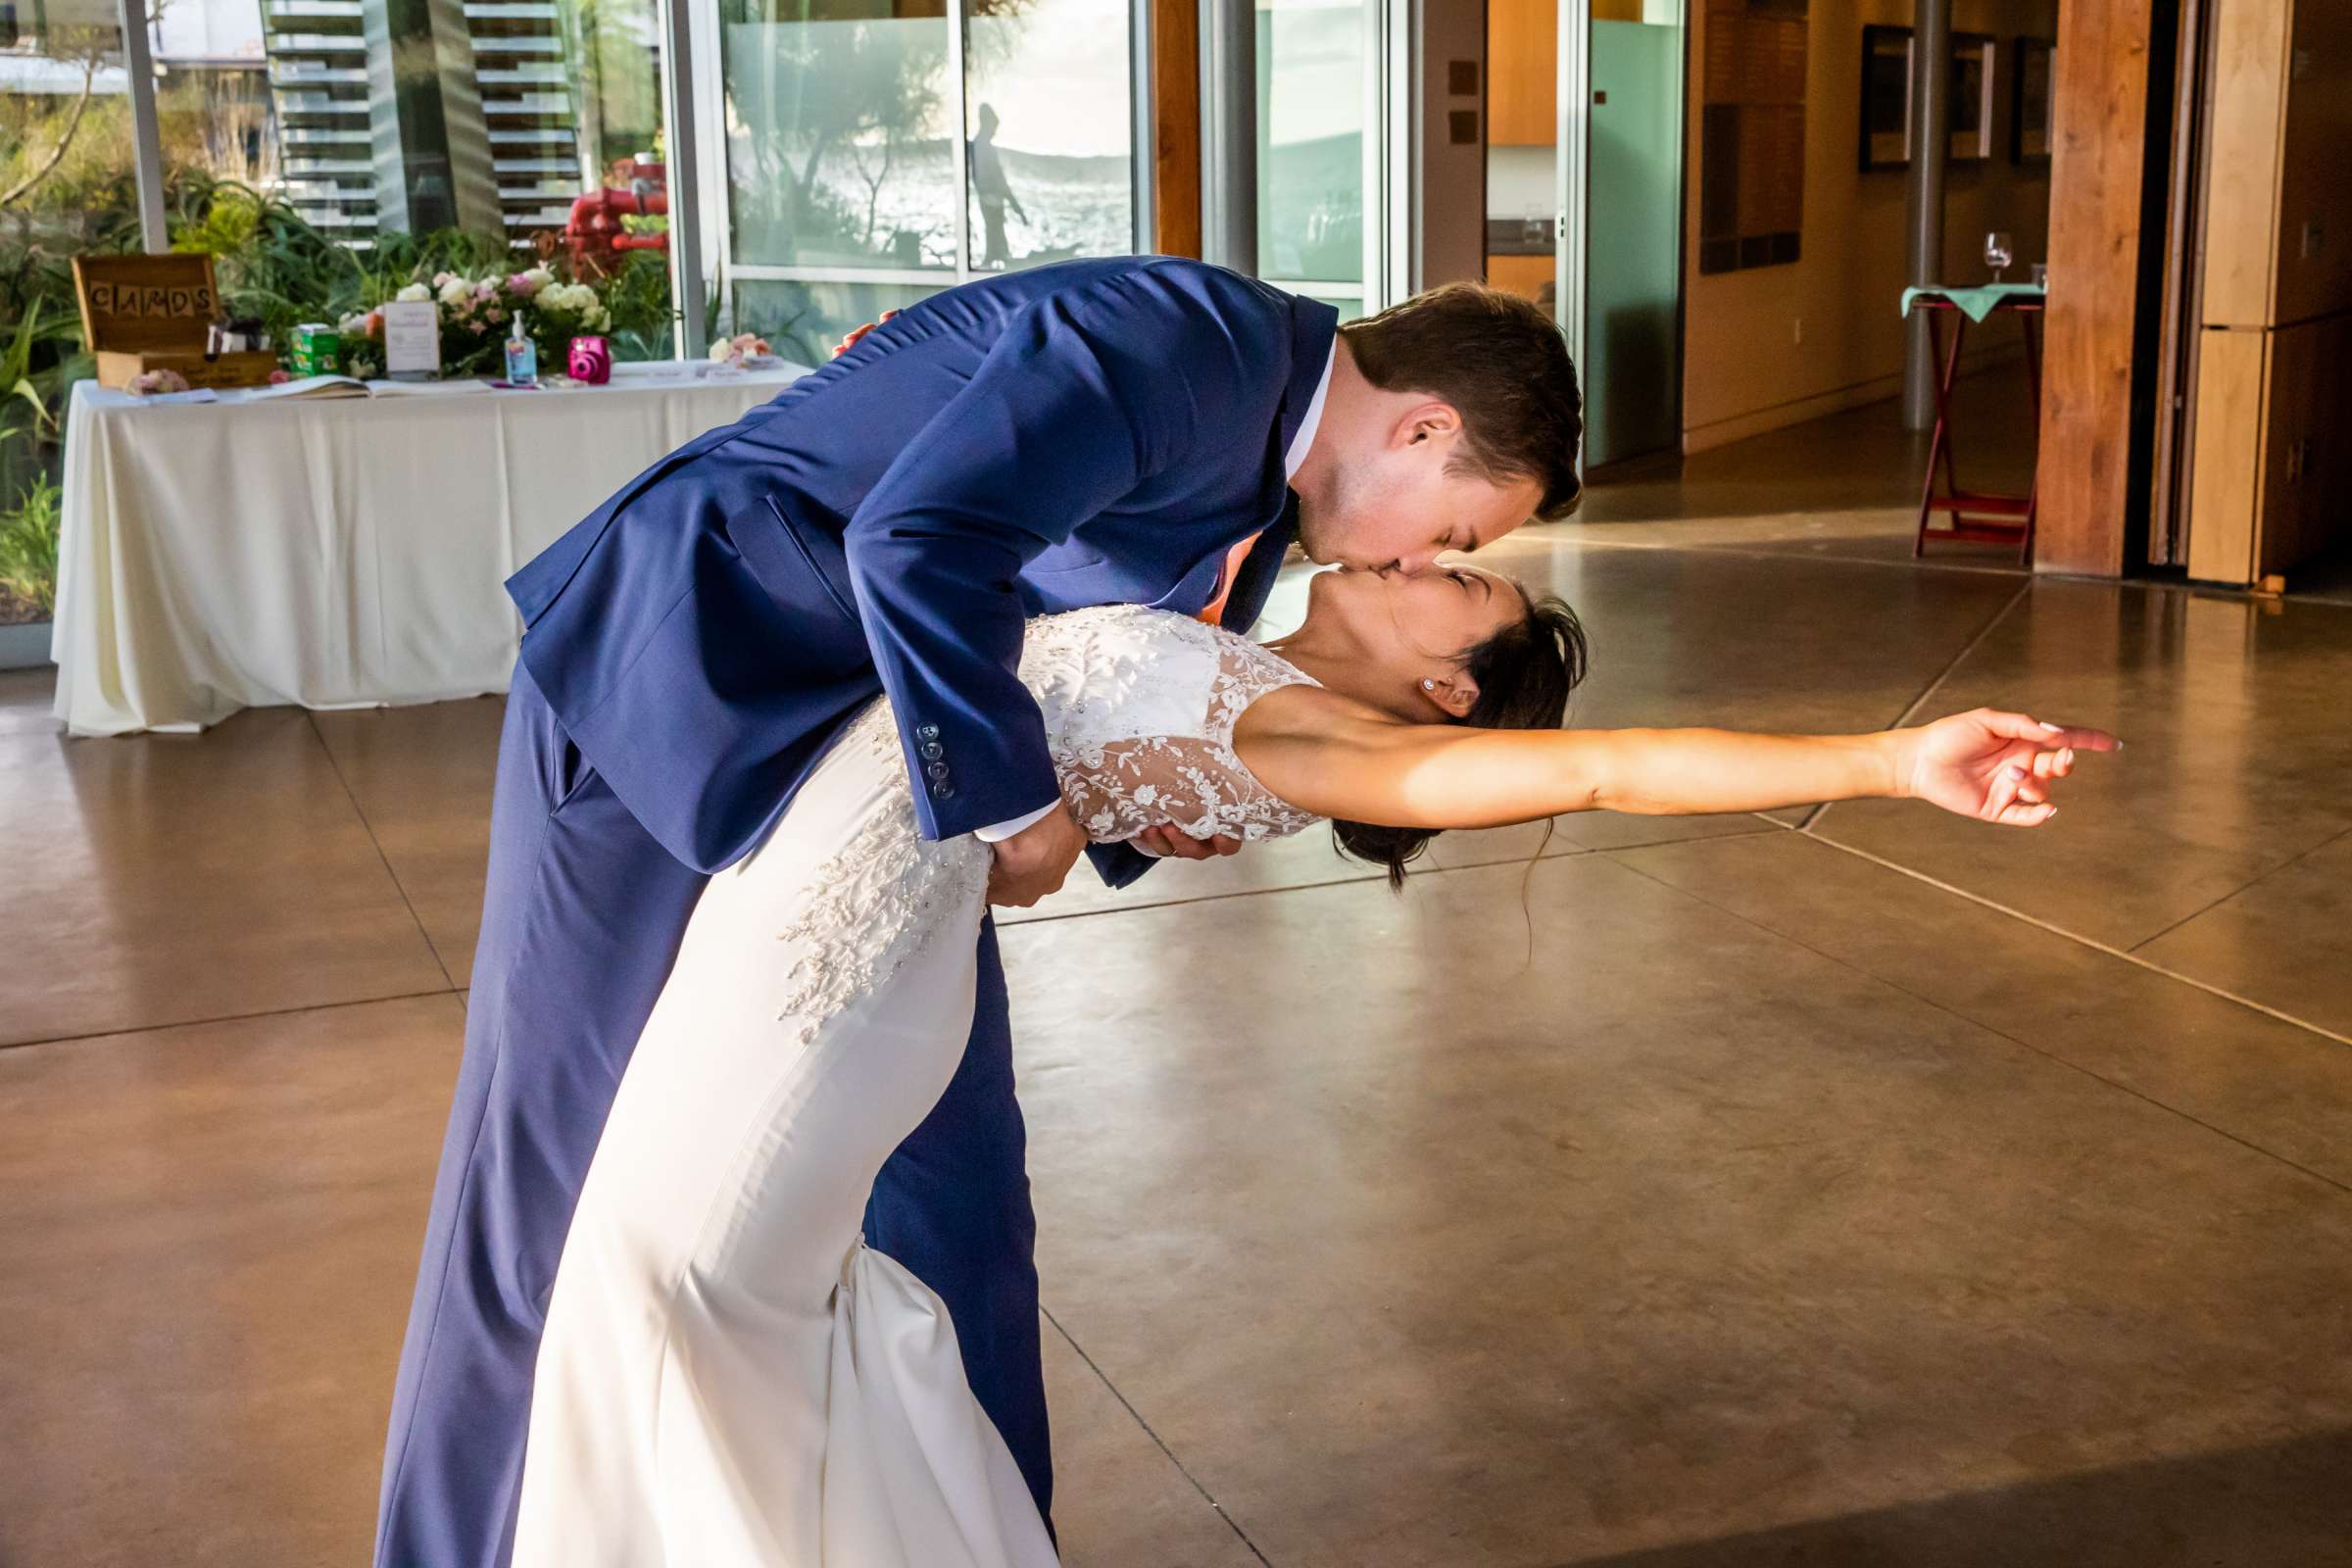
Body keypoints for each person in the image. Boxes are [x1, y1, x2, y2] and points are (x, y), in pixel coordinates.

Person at [506, 564, 2114, 1564]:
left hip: (824, 980)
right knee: (699, 1305)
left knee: (670, 1295)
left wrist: (1893, 760)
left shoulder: (1318, 739)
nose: (1424, 554)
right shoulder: (1248, 665)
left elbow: (1616, 769)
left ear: (1445, 693)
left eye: (1456, 582)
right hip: (818, 921)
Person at [373, 260, 1584, 1568]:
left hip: (872, 802)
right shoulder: (1191, 345)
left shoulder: (1260, 475)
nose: (1419, 557)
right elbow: (921, 537)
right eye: (1459, 534)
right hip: (673, 689)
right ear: (1425, 430)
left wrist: (1130, 805)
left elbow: (1071, 636)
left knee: (963, 1211)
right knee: (541, 1192)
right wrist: (1014, 806)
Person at [970, 103, 1028, 269]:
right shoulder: (982, 146)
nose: (995, 131)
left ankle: (997, 259)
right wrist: (1007, 199)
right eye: (994, 126)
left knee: (995, 234)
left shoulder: (981, 145)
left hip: (991, 197)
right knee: (995, 234)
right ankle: (995, 260)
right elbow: (992, 177)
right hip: (991, 198)